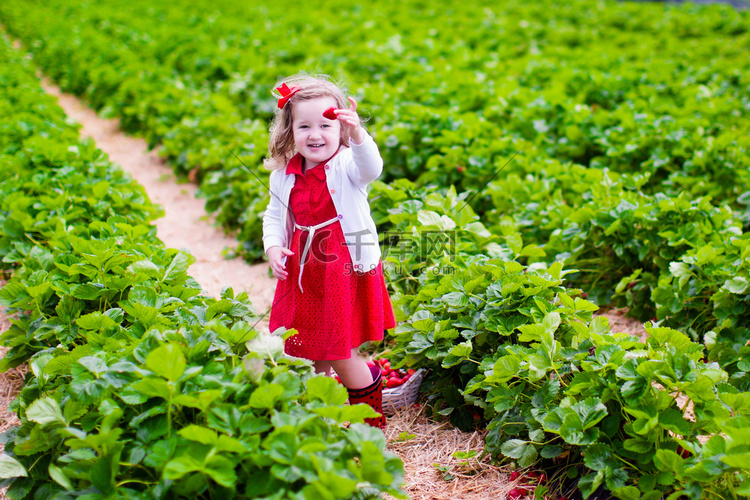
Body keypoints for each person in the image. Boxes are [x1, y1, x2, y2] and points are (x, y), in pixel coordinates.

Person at [262, 74, 396, 428]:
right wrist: (274, 246)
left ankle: (371, 424)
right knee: (308, 350)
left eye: (326, 124)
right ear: (289, 131)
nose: (315, 134)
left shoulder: (347, 166)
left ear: (341, 130)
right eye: (304, 126)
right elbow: (274, 216)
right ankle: (321, 419)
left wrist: (359, 137)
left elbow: (373, 168)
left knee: (339, 353)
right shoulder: (284, 175)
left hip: (342, 269)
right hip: (305, 273)